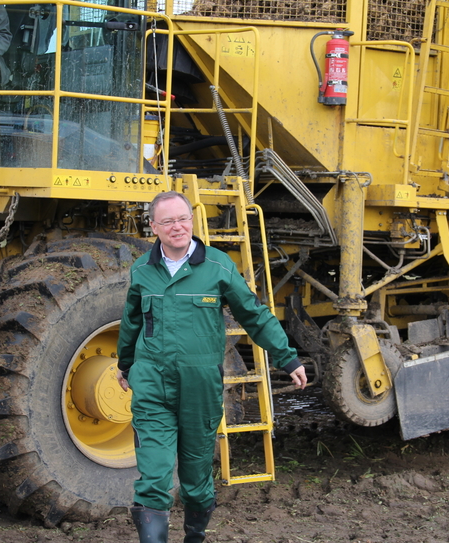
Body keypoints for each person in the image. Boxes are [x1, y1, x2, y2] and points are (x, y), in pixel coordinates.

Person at [116, 191, 307, 542]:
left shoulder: (218, 266)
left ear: (192, 220)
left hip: (200, 389)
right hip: (152, 386)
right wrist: (125, 364)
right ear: (154, 227)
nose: (178, 227)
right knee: (153, 479)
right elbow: (132, 322)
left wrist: (287, 357)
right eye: (168, 221)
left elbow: (254, 314)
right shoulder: (142, 270)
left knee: (196, 479)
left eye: (183, 218)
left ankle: (195, 536)